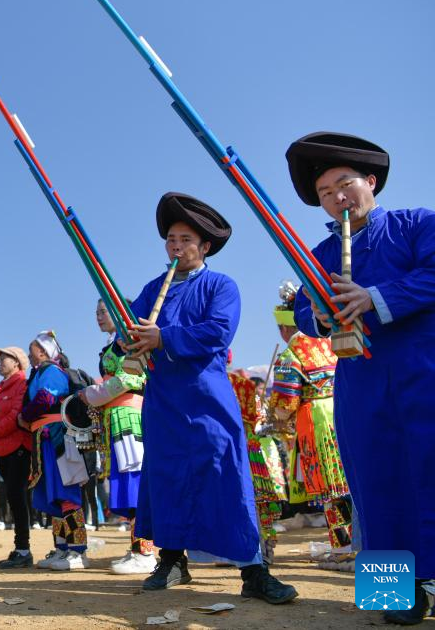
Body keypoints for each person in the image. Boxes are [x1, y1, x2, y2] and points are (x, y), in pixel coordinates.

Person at [287, 132, 434, 623]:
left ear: (370, 181)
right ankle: (395, 594)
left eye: (344, 184)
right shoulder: (317, 256)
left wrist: (374, 297)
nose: (336, 197)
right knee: (374, 480)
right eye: (325, 192)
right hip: (361, 383)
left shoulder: (418, 224)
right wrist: (322, 317)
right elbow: (303, 314)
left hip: (425, 371)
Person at [123, 192, 296, 604]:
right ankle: (171, 559)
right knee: (166, 475)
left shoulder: (221, 285)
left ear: (204, 246)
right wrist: (127, 336)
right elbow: (128, 332)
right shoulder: (151, 289)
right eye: (170, 239)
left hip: (207, 396)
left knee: (224, 472)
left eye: (185, 239)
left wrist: (163, 336)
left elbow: (218, 332)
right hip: (163, 399)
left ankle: (253, 569)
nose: (176, 246)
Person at [270, 281, 352, 557]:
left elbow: (285, 403)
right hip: (343, 409)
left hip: (315, 419)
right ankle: (361, 539)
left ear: (284, 327)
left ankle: (344, 543)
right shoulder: (330, 343)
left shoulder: (291, 354)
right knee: (351, 480)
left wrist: (276, 419)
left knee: (331, 486)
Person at [80, 299, 154, 575]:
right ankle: (137, 548)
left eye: (104, 311)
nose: (99, 316)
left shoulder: (130, 340)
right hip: (116, 417)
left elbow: (129, 378)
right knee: (126, 479)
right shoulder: (116, 342)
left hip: (128, 417)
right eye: (96, 312)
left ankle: (144, 552)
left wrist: (89, 395)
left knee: (133, 479)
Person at [20, 331, 92, 572]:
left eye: (32, 351)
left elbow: (43, 399)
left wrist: (23, 415)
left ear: (42, 351)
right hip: (44, 438)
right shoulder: (39, 372)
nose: (30, 356)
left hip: (58, 438)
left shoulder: (51, 371)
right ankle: (62, 548)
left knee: (66, 491)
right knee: (55, 495)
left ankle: (78, 550)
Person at [0, 346, 31, 568]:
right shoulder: (0, 387)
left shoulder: (22, 383)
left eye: (4, 358)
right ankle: (20, 548)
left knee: (17, 497)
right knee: (12, 497)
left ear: (17, 362)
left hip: (18, 446)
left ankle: (23, 549)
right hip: (3, 449)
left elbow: (15, 415)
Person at [229, 366, 285, 565]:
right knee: (259, 503)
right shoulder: (249, 393)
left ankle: (251, 549)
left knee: (241, 501)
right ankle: (265, 547)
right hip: (253, 452)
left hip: (238, 453)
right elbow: (261, 426)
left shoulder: (226, 388)